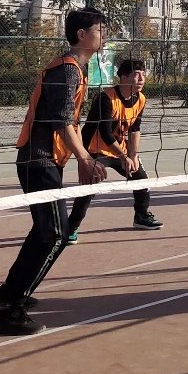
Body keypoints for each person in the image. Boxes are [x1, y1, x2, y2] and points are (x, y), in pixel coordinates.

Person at [0, 7, 109, 336]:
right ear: (81, 35)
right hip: (38, 161)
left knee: (45, 231)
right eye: (99, 29)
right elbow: (61, 120)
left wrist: (80, 157)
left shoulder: (77, 69)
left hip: (45, 161)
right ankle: (12, 310)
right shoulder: (67, 69)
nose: (105, 35)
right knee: (56, 234)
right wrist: (85, 158)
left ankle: (8, 293)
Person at [66, 57, 162, 241]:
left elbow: (135, 128)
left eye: (143, 74)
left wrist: (133, 155)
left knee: (141, 179)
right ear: (124, 78)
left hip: (120, 149)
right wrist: (124, 156)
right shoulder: (105, 98)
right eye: (137, 75)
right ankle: (71, 227)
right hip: (95, 149)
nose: (141, 79)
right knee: (89, 187)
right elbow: (105, 132)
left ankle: (141, 216)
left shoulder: (141, 99)